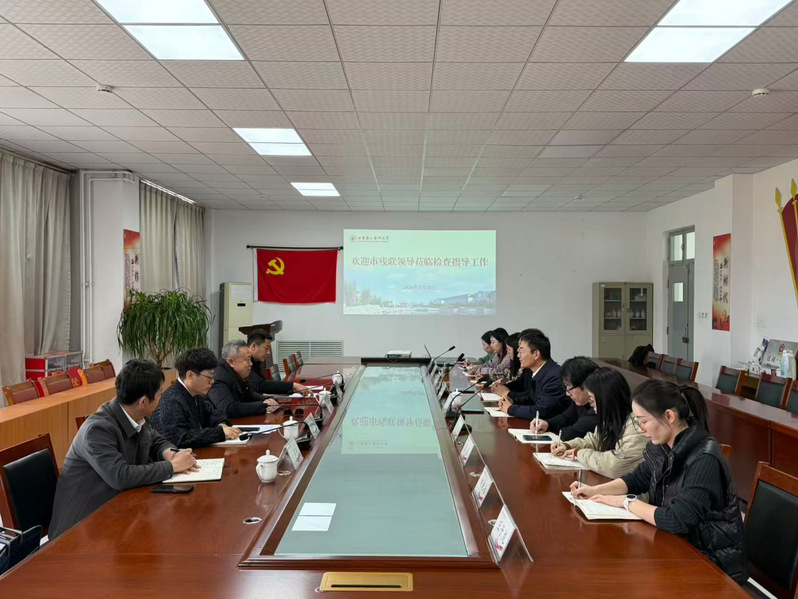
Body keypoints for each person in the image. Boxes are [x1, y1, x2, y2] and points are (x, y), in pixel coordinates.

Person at [571, 379, 747, 583]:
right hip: (675, 548)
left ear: (669, 416)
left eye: (643, 421)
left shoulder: (704, 458)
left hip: (712, 565)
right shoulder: (662, 447)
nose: (641, 429)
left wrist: (626, 502)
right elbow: (636, 479)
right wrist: (594, 490)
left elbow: (677, 519)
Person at [48, 360, 198, 540]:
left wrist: (171, 453)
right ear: (143, 401)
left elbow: (155, 439)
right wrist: (172, 466)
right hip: (79, 532)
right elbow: (121, 476)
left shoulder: (134, 413)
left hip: (115, 513)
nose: (161, 397)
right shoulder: (97, 430)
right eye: (160, 393)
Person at [552, 367, 647, 478]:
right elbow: (594, 441)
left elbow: (614, 467)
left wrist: (579, 453)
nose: (593, 408)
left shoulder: (636, 426)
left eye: (592, 401)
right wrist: (568, 445)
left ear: (606, 399)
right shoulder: (611, 418)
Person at [150, 347, 241, 448]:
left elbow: (213, 415)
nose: (212, 381)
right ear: (190, 375)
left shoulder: (196, 395)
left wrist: (222, 424)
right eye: (209, 377)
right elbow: (180, 439)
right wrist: (220, 433)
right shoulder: (171, 400)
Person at [498, 330, 569, 420]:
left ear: (536, 354)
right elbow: (532, 398)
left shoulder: (554, 376)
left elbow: (541, 411)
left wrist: (510, 409)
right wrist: (512, 401)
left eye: (522, 351)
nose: (518, 355)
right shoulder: (542, 371)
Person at [531, 356, 598, 442]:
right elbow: (565, 418)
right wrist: (547, 424)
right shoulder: (581, 402)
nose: (567, 393)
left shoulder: (598, 407)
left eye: (569, 388)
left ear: (585, 384)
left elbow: (572, 433)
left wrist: (550, 431)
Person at [208, 340, 279, 419]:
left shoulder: (236, 374)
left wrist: (267, 400)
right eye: (247, 360)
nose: (251, 364)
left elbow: (249, 394)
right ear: (231, 362)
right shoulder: (219, 379)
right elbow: (229, 409)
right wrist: (263, 406)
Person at [247, 329, 309, 396]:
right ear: (253, 346)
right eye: (266, 348)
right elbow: (260, 385)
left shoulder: (255, 362)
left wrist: (292, 389)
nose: (268, 353)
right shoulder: (245, 362)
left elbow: (262, 385)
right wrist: (293, 386)